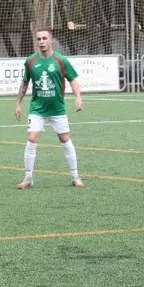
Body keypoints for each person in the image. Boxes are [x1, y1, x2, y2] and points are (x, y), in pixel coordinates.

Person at [15, 28, 85, 189]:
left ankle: (75, 177)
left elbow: (73, 80)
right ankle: (28, 178)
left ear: (51, 40)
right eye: (39, 39)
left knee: (65, 139)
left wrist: (78, 97)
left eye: (44, 38)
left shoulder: (61, 60)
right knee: (31, 138)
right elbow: (24, 84)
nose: (41, 42)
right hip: (37, 108)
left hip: (57, 109)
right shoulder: (31, 61)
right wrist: (18, 103)